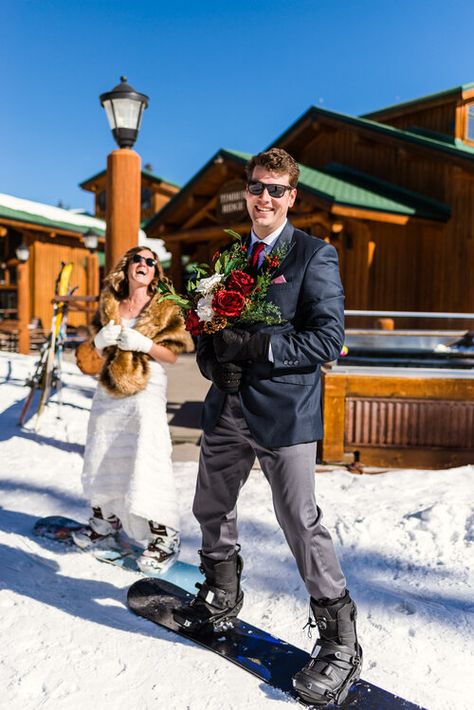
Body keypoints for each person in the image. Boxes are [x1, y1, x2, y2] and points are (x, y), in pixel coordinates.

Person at [174, 148, 362, 707]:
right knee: (211, 505)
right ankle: (220, 594)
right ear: (247, 191)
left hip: (284, 413)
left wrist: (259, 345)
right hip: (226, 407)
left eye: (276, 190)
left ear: (291, 197)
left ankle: (340, 643)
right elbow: (206, 328)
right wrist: (213, 358)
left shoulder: (313, 255)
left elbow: (328, 339)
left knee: (300, 522)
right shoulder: (229, 257)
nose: (265, 198)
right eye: (257, 187)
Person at [73, 246, 194, 573]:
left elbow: (177, 354)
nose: (143, 264)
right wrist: (98, 341)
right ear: (126, 267)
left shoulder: (166, 307)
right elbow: (88, 357)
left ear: (156, 272)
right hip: (108, 387)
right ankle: (104, 523)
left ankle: (164, 535)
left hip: (147, 386)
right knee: (102, 453)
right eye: (137, 259)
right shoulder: (109, 303)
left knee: (146, 458)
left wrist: (145, 345)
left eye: (150, 261)